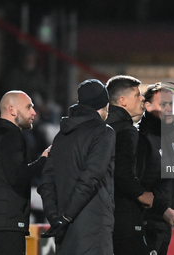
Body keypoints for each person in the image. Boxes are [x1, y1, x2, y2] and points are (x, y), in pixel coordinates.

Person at [38, 79, 115, 255]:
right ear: (104, 105)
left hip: (65, 234)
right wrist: (66, 217)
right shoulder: (104, 132)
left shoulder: (61, 136)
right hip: (94, 231)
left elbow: (46, 182)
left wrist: (55, 218)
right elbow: (91, 178)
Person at [0, 90, 50, 255]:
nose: (34, 112)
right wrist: (43, 161)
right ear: (12, 110)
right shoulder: (12, 135)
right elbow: (17, 176)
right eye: (29, 107)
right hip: (6, 229)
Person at [137, 83, 174, 255]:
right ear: (147, 106)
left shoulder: (168, 136)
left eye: (171, 104)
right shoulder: (142, 139)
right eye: (163, 104)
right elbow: (140, 186)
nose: (168, 109)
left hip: (163, 223)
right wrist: (164, 210)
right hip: (147, 224)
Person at [105, 75, 154, 255]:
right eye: (137, 95)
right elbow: (122, 171)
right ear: (122, 101)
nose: (142, 98)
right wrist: (140, 194)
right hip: (125, 217)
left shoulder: (98, 129)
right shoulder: (127, 131)